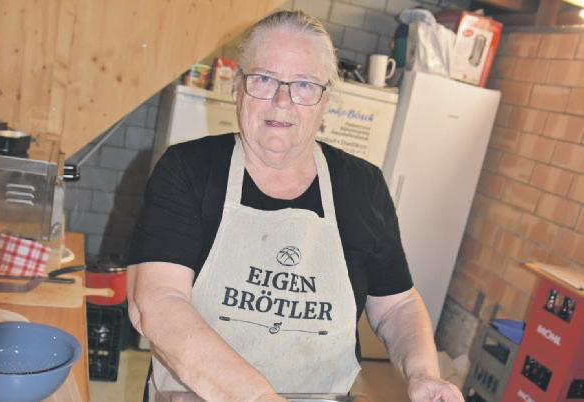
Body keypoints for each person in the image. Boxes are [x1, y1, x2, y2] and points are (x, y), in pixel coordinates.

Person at [127, 9, 464, 402]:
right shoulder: (188, 170)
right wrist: (259, 398)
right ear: (237, 87)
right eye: (264, 79)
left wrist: (423, 373)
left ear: (325, 101)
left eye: (304, 84)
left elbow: (397, 305)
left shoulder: (363, 186)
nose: (282, 100)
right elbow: (157, 303)